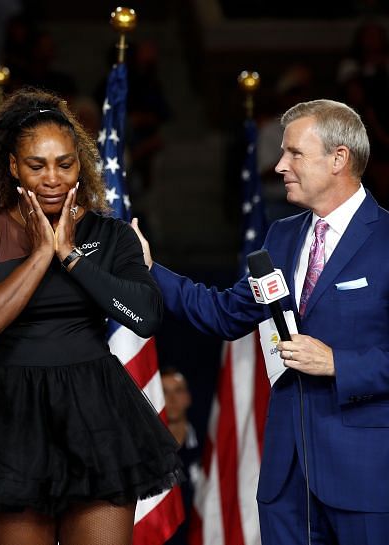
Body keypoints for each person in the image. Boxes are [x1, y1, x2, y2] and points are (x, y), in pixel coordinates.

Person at [132, 99, 389, 545]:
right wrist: (150, 270)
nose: (279, 165)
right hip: (285, 481)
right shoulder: (282, 236)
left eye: (294, 154)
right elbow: (224, 312)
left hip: (363, 479)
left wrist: (338, 363)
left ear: (338, 159)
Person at [0, 88, 183, 545]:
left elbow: (145, 317)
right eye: (37, 165)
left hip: (97, 411)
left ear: (80, 165)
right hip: (13, 415)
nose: (52, 177)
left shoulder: (110, 235)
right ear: (12, 166)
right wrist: (40, 254)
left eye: (65, 164)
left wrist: (70, 255)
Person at [160, 368, 200, 545]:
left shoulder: (207, 446)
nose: (172, 399)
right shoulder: (144, 454)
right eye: (164, 392)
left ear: (188, 397)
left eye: (178, 391)